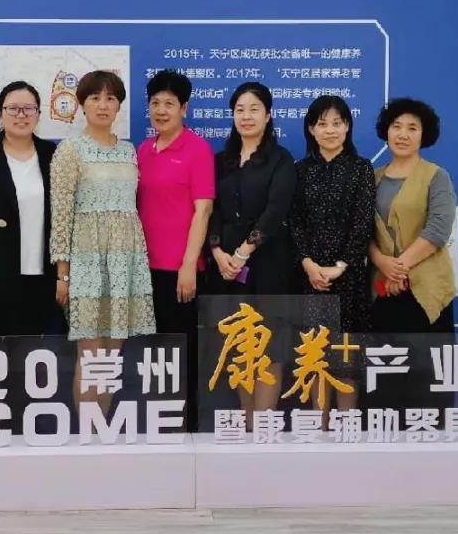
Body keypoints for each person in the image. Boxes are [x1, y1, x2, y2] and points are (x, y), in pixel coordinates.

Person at [0, 81, 68, 432]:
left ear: (38, 114)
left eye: (28, 109)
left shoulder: (51, 155)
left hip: (39, 276)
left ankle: (22, 432)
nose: (21, 115)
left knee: (28, 361)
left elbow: (61, 219)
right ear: (0, 114)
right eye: (13, 109)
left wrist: (62, 275)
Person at [50, 71, 155, 416]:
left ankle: (102, 432)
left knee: (111, 355)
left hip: (125, 259)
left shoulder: (128, 151)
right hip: (86, 260)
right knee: (91, 353)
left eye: (110, 98)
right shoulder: (70, 150)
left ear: (119, 106)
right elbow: (61, 214)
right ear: (82, 105)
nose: (103, 105)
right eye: (95, 98)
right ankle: (86, 435)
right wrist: (63, 274)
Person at [205, 81, 296, 423]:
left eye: (254, 109)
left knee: (268, 347)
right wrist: (217, 251)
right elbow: (211, 209)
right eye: (240, 110)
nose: (246, 116)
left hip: (267, 264)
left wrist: (244, 252)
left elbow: (276, 210)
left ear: (268, 115)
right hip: (226, 268)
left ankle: (264, 426)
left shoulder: (281, 159)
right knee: (240, 347)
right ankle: (247, 426)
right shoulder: (221, 161)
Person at [368, 97, 458, 417]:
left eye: (412, 128)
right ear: (386, 131)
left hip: (425, 289)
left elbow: (438, 229)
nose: (403, 134)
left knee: (426, 375)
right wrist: (382, 264)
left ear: (424, 135)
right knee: (385, 377)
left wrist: (399, 268)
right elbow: (361, 231)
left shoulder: (436, 176)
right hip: (382, 291)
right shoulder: (372, 177)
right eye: (396, 127)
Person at [136, 70, 214, 430]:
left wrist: (188, 264)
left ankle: (187, 431)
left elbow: (203, 210)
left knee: (183, 353)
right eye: (155, 103)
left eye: (169, 103)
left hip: (180, 271)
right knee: (155, 354)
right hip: (144, 271)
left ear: (184, 108)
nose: (161, 110)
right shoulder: (143, 151)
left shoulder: (197, 150)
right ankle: (160, 426)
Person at [289, 95, 375, 419]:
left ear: (347, 127)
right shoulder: (300, 171)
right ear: (311, 129)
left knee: (346, 360)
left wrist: (340, 266)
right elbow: (294, 222)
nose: (330, 130)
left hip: (348, 278)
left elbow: (363, 223)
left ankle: (345, 428)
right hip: (310, 278)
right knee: (316, 359)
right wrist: (308, 263)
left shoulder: (361, 169)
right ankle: (319, 428)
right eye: (322, 123)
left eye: (337, 123)